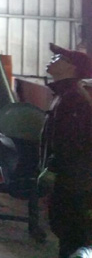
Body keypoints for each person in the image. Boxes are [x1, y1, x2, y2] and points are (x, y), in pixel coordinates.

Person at [40, 42, 92, 258]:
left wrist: (52, 168)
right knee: (65, 231)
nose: (53, 60)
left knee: (72, 234)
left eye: (59, 58)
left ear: (73, 68)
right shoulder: (64, 95)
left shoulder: (73, 98)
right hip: (68, 178)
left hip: (73, 181)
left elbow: (73, 141)